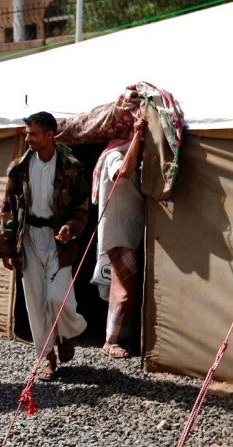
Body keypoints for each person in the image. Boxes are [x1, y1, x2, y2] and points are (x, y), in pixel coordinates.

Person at [0, 112, 88, 381]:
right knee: (35, 303)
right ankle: (47, 358)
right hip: (29, 239)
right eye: (27, 133)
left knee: (59, 297)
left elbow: (82, 206)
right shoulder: (19, 168)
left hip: (59, 243)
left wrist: (70, 227)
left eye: (33, 134)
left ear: (50, 135)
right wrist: (7, 247)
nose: (28, 138)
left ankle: (67, 333)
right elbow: (9, 210)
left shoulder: (71, 166)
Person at [93, 117, 146, 359]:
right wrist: (137, 134)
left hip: (127, 230)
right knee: (125, 290)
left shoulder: (125, 152)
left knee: (126, 289)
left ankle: (120, 338)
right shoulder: (115, 154)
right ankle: (111, 340)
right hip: (117, 230)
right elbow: (123, 172)